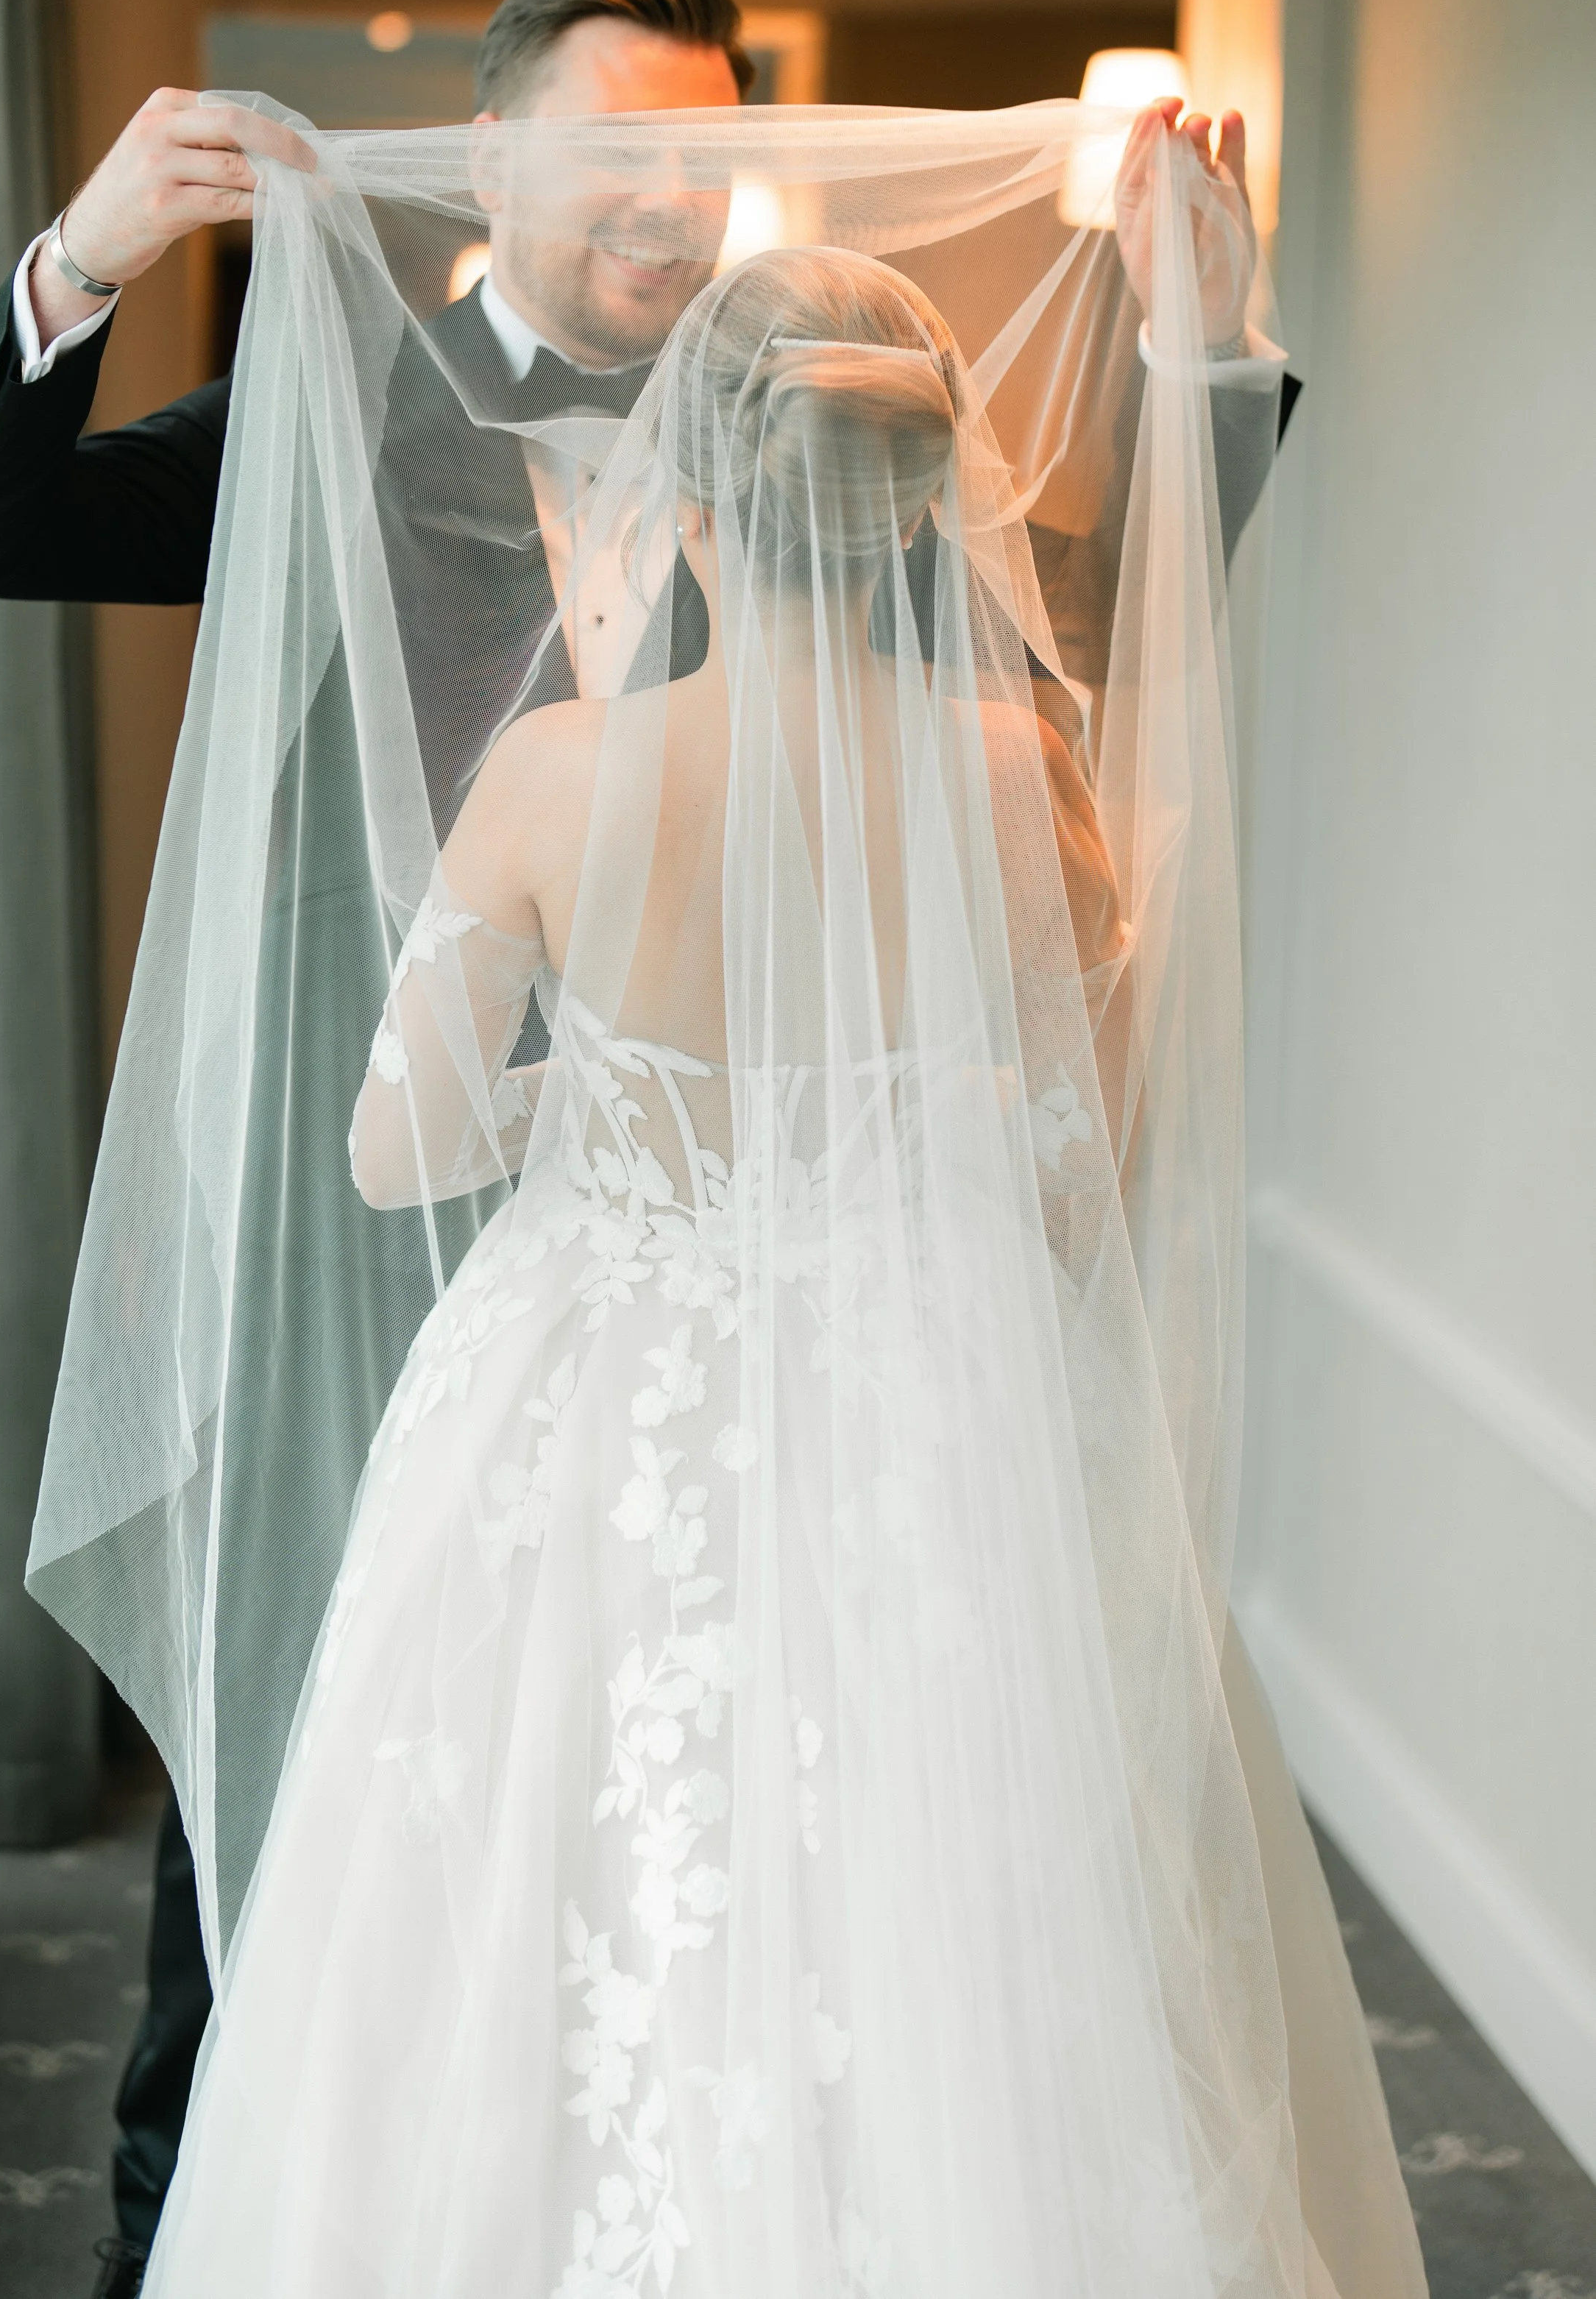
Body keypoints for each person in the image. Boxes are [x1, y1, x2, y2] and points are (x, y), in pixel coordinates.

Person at [0, 0, 1291, 2298]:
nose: (663, 189)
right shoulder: (332, 416)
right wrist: (90, 256)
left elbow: (1093, 602)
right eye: (612, 142)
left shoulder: (825, 451)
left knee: (790, 1895)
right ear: (496, 157)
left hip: (749, 1331)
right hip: (384, 1304)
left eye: (697, 146)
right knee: (310, 1921)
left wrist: (1205, 359)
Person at [124, 224, 1422, 2298]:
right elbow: (1088, 1177)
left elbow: (395, 1154)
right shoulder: (1020, 777)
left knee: (558, 1897)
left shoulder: (557, 778)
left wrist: (602, 1099)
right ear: (923, 503)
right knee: (937, 1923)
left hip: (592, 1389)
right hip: (931, 1380)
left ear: (695, 502)